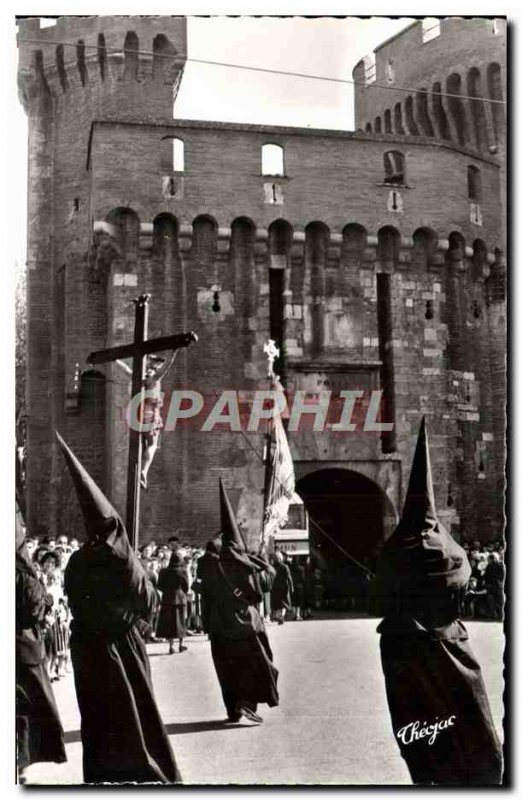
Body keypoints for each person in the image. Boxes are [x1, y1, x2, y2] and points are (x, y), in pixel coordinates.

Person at [375, 418, 503, 786]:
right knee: (468, 715)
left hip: (400, 644)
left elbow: (379, 594)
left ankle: (428, 775)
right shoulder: (449, 551)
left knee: (414, 717)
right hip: (446, 643)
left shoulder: (393, 551)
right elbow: (461, 585)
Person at [56, 432, 181, 784]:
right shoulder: (126, 561)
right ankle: (145, 772)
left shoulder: (78, 561)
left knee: (100, 714)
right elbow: (148, 601)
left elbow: (74, 598)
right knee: (135, 711)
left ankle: (104, 775)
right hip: (122, 646)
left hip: (87, 646)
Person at [199, 479, 279, 724]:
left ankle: (233, 710)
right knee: (255, 665)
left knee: (226, 670)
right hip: (245, 625)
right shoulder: (244, 565)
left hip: (219, 627)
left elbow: (204, 595)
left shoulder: (207, 565)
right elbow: (264, 585)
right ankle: (247, 703)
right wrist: (261, 561)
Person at [16, 510, 67, 783]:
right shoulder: (20, 571)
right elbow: (35, 607)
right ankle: (17, 764)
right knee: (23, 707)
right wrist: (46, 602)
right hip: (21, 647)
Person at [116, 351, 178, 489]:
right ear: (155, 368)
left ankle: (138, 472)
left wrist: (115, 359)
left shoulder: (138, 378)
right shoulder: (155, 378)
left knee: (139, 443)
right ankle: (143, 471)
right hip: (150, 415)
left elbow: (124, 369)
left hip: (136, 416)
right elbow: (168, 364)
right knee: (152, 444)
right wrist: (176, 350)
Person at [156, 551, 189, 654]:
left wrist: (167, 591)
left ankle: (171, 646)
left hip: (167, 600)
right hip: (180, 599)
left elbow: (159, 586)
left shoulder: (163, 571)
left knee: (169, 624)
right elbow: (186, 587)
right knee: (180, 623)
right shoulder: (183, 571)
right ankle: (180, 645)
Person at [271, 550, 294, 624]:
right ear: (281, 558)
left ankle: (279, 616)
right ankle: (282, 616)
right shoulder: (285, 566)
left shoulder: (273, 567)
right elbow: (289, 577)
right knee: (284, 603)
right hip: (284, 587)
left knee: (278, 603)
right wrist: (292, 587)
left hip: (275, 587)